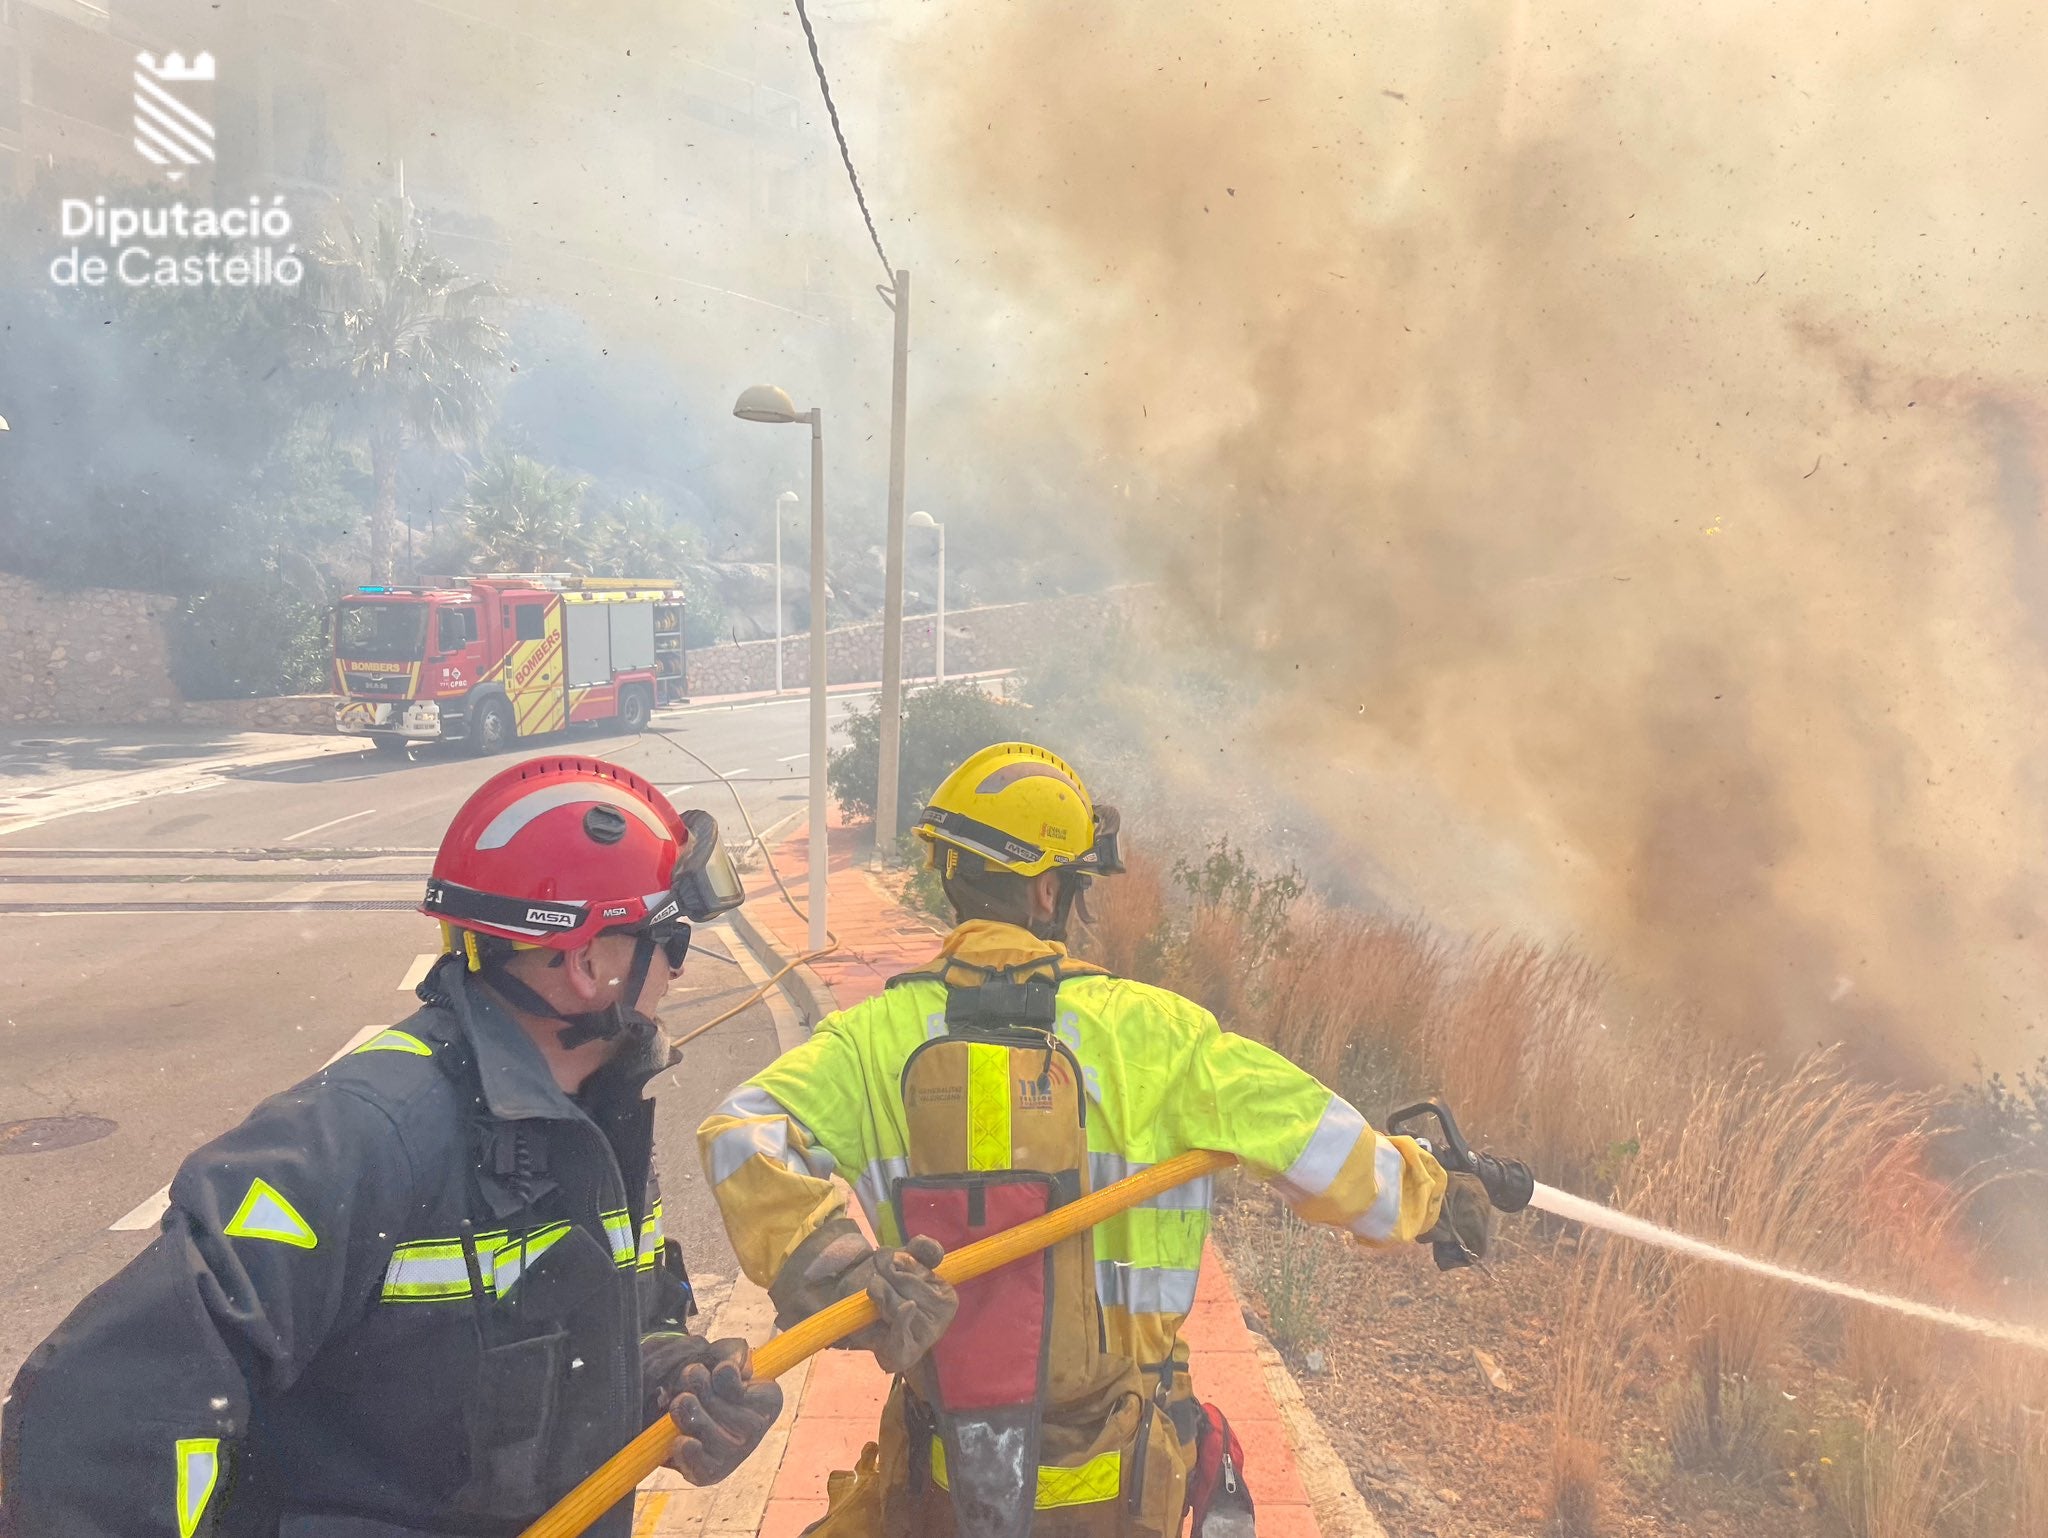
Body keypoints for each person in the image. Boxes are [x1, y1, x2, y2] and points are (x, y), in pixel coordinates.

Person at [697, 741, 1499, 1538]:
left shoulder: (869, 1041)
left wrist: (838, 1272)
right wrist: (1438, 1197)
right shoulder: (1162, 1037)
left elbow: (740, 1132)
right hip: (1121, 1485)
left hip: (945, 1478)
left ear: (950, 877)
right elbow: (1329, 1153)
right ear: (1051, 891)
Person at [1, 756, 784, 1538]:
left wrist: (669, 1380)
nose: (678, 971)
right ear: (588, 965)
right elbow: (91, 1429)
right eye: (669, 941)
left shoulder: (589, 1118)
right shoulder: (359, 1139)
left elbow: (597, 1325)